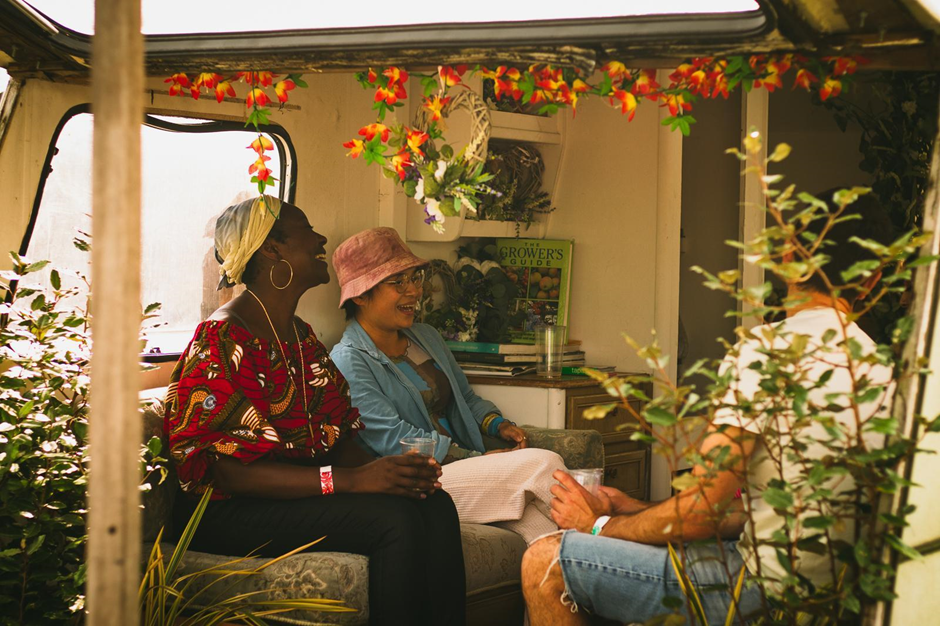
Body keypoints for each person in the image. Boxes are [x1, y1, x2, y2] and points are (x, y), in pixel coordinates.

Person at [520, 190, 895, 625]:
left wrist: (598, 527)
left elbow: (702, 511)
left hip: (762, 594)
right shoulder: (885, 371)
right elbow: (759, 514)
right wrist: (636, 510)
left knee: (545, 561)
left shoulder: (768, 350)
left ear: (789, 255)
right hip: (840, 599)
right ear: (873, 279)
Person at [164, 196, 466, 626]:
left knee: (433, 504)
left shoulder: (300, 337)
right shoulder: (222, 338)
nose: (321, 238)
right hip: (228, 510)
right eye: (306, 230)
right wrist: (351, 481)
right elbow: (229, 474)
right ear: (273, 249)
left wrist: (390, 474)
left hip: (295, 495)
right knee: (393, 520)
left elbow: (337, 438)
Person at [329, 227, 568, 543]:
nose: (414, 291)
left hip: (464, 469)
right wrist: (473, 459)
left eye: (414, 278)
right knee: (544, 463)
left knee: (541, 530)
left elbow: (464, 397)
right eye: (398, 282)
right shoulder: (347, 360)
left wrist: (497, 424)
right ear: (360, 295)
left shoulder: (425, 336)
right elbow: (393, 440)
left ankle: (585, 570)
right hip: (421, 481)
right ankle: (606, 529)